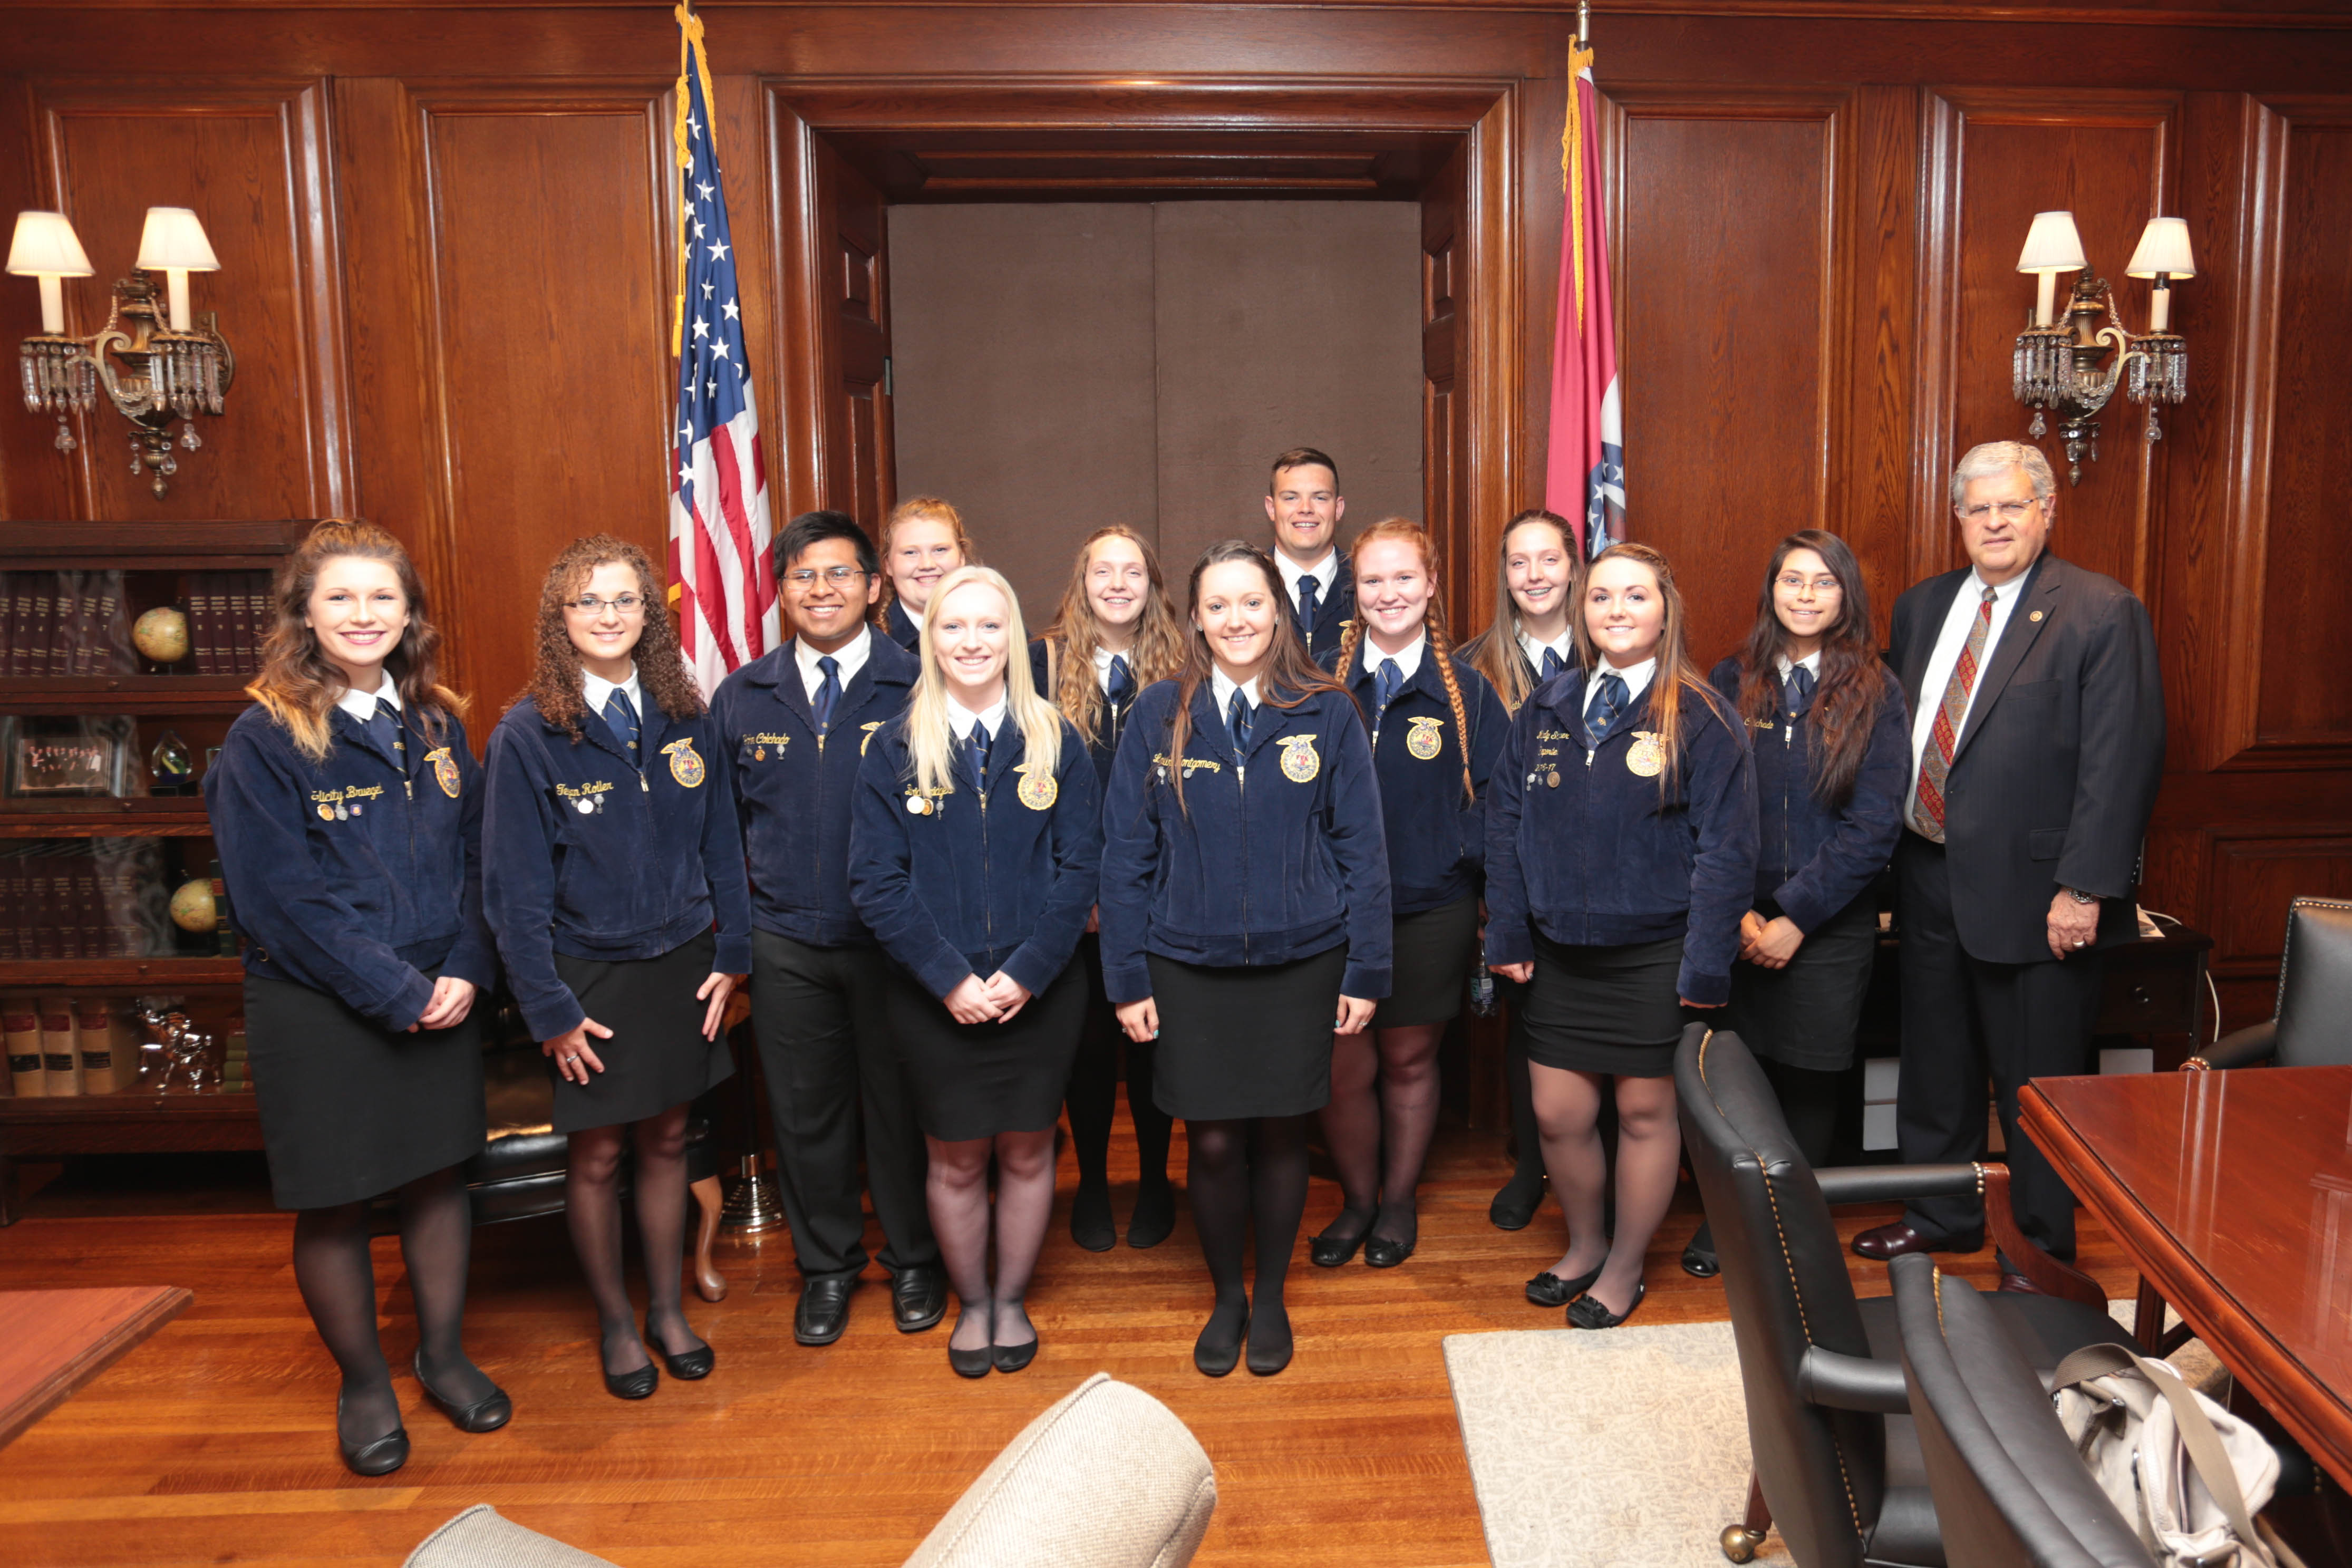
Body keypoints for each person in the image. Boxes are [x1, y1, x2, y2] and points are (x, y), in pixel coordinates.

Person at [205, 519, 506, 1476]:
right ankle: (365, 1379)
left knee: (436, 1178)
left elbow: (477, 859)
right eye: (341, 597)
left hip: (444, 991)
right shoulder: (264, 737)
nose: (364, 614)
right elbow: (279, 900)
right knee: (336, 1202)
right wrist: (399, 989)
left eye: (383, 596)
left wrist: (464, 966)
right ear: (304, 612)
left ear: (410, 612)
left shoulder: (438, 722)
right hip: (320, 1005)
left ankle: (443, 1353)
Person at [1853, 441, 2163, 1279]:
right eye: (1977, 509)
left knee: (2035, 1086)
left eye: (2011, 506)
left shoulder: (2100, 611)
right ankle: (1942, 1213)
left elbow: (2121, 762)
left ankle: (2038, 1251)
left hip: (2039, 893)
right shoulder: (1922, 607)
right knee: (1935, 1061)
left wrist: (2084, 888)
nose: (1994, 522)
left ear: (2046, 511)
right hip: (1926, 873)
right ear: (1958, 519)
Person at [1100, 540, 1391, 1377]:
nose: (1236, 619)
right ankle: (1227, 1294)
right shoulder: (1158, 711)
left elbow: (1364, 851)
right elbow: (1124, 857)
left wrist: (1366, 969)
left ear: (1278, 613)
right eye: (1218, 604)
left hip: (1303, 960)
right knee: (1216, 1143)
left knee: (1281, 1137)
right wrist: (1126, 977)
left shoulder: (1327, 710)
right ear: (1195, 616)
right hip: (1185, 965)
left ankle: (1271, 1301)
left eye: (1252, 603)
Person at [484, 536, 751, 1399]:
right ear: (560, 619)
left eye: (625, 600)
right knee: (597, 1153)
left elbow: (722, 840)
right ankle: (614, 1320)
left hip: (682, 962)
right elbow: (511, 890)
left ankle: (668, 1310)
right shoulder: (528, 732)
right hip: (585, 978)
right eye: (588, 602)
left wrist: (734, 952)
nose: (608, 615)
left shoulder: (685, 709)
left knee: (671, 1136)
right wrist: (548, 1007)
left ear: (649, 614)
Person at [1484, 541, 1756, 1329]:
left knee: (1644, 1116)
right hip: (1559, 954)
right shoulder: (1547, 706)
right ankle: (1584, 1245)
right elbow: (1503, 825)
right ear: (1582, 608)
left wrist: (1703, 968)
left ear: (1665, 609)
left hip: (1655, 957)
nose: (1616, 611)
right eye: (1601, 596)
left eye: (1634, 596)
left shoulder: (1701, 715)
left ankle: (1626, 1267)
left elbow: (1726, 854)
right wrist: (1507, 930)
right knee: (1558, 1115)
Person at [850, 566, 1102, 1377]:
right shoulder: (891, 746)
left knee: (1029, 1150)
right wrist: (949, 978)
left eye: (988, 627)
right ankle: (973, 1305)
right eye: (953, 627)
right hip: (935, 996)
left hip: (1042, 988)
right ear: (929, 638)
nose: (971, 642)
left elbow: (1080, 870)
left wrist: (1027, 972)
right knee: (956, 1157)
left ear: (1013, 638)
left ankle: (1011, 1300)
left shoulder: (1057, 739)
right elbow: (875, 882)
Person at [709, 511, 945, 1345]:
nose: (822, 590)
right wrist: (736, 947)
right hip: (785, 944)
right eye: (804, 576)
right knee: (806, 1117)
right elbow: (721, 832)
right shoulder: (743, 695)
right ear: (780, 591)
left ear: (875, 586)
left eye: (840, 574)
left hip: (896, 945)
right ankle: (827, 1268)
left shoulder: (920, 682)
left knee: (899, 1109)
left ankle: (915, 1258)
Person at [1680, 530, 1909, 1277]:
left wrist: (1794, 918)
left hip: (1825, 928)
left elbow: (1874, 825)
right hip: (1734, 919)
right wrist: (1743, 913)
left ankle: (1785, 1228)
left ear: (1846, 596)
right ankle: (1729, 1217)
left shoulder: (1877, 689)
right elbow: (1707, 803)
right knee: (1734, 1075)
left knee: (1808, 1078)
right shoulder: (1731, 675)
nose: (1806, 594)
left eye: (1824, 582)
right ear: (1770, 590)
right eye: (1792, 580)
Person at [1311, 519, 1509, 1269]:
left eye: (1403, 578)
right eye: (1372, 580)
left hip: (1431, 910)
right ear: (1354, 594)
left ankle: (1397, 1202)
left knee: (1408, 1062)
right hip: (1332, 913)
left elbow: (1496, 802)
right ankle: (1357, 1199)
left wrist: (1468, 868)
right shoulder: (1322, 685)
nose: (1388, 593)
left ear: (1430, 586)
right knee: (1342, 1065)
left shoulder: (1469, 692)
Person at [1029, 526, 1187, 1251]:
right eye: (1103, 570)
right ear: (1081, 581)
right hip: (1069, 903)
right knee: (1087, 1052)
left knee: (1154, 1044)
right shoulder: (1039, 663)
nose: (1118, 583)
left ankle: (1156, 1178)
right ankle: (1092, 1180)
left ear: (1153, 584)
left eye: (1133, 571)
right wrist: (1081, 893)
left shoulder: (1188, 666)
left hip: (1160, 899)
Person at [1459, 508, 1583, 1230]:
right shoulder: (1471, 667)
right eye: (1517, 562)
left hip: (1596, 877)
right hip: (1507, 876)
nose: (1533, 575)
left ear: (1573, 563)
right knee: (1526, 1025)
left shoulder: (1612, 646)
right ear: (1504, 575)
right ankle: (1531, 1165)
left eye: (1547, 559)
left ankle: (1589, 1166)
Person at [1263, 447, 1354, 660]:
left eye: (1320, 498)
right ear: (1271, 508)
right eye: (1291, 498)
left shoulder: (1371, 586)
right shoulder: (1246, 585)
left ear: (1338, 509)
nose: (1305, 508)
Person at [880, 496, 976, 651]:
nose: (927, 565)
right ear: (888, 565)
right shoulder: (871, 646)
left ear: (962, 557)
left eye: (940, 550)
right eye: (911, 553)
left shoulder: (1003, 632)